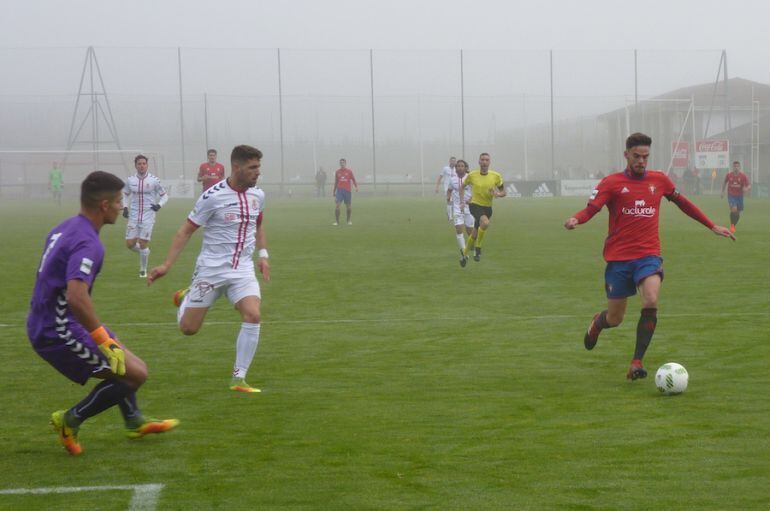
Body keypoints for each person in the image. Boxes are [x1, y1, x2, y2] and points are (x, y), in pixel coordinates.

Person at [27, 171, 178, 456]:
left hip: (57, 319)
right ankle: (69, 420)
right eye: (120, 201)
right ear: (105, 205)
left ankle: (133, 421)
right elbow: (75, 295)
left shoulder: (64, 227)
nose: (123, 206)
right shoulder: (89, 243)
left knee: (126, 362)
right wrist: (101, 339)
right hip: (56, 330)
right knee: (135, 375)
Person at [564, 133, 734, 380]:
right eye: (636, 156)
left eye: (645, 156)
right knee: (615, 318)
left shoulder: (660, 180)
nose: (641, 161)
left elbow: (683, 203)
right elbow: (592, 208)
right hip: (619, 259)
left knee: (651, 298)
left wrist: (711, 225)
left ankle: (636, 362)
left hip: (648, 255)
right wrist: (576, 219)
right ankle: (598, 323)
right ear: (626, 155)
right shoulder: (611, 183)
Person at [147, 145, 269, 394]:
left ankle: (238, 378)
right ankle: (186, 297)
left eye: (258, 167)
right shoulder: (212, 197)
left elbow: (258, 225)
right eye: (252, 167)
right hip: (211, 271)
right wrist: (166, 265)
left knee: (253, 315)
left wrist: (263, 255)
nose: (257, 172)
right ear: (237, 167)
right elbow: (186, 230)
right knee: (189, 329)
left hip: (242, 270)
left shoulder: (258, 195)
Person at [123, 154, 168, 278]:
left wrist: (159, 205)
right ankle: (145, 252)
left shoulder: (154, 180)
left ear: (147, 165)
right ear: (136, 165)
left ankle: (143, 270)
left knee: (143, 243)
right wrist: (125, 207)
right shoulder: (130, 180)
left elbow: (165, 195)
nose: (142, 166)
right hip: (133, 215)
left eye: (144, 164)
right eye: (139, 164)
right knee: (130, 244)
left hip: (148, 216)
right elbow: (125, 194)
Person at [459, 153, 506, 266]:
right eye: (482, 160)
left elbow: (504, 192)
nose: (484, 162)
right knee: (485, 222)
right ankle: (478, 249)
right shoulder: (472, 175)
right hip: (475, 205)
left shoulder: (496, 176)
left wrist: (497, 194)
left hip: (487, 208)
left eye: (487, 160)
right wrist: (462, 202)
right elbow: (462, 187)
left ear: (489, 162)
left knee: (474, 234)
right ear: (479, 162)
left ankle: (464, 256)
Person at [446, 159, 474, 259]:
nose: (460, 167)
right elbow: (449, 190)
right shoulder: (452, 179)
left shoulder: (470, 178)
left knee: (470, 231)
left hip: (469, 208)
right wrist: (448, 199)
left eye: (462, 166)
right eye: (458, 166)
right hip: (457, 208)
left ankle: (472, 247)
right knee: (459, 229)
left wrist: (471, 199)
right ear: (456, 168)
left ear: (465, 168)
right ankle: (464, 251)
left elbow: (475, 191)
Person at [721, 161, 751, 233]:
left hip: (740, 196)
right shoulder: (729, 175)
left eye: (737, 166)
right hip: (731, 196)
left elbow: (749, 185)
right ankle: (732, 226)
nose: (736, 168)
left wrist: (746, 189)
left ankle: (733, 225)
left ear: (739, 167)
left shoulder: (743, 176)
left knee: (738, 213)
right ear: (733, 167)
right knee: (734, 209)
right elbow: (724, 182)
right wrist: (722, 191)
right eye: (735, 166)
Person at [333, 158, 358, 226]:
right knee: (337, 205)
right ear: (339, 164)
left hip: (347, 191)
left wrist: (356, 187)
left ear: (345, 163)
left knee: (348, 207)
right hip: (339, 191)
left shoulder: (349, 171)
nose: (342, 164)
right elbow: (336, 182)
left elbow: (353, 179)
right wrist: (334, 191)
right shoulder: (337, 172)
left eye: (343, 162)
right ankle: (337, 222)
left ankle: (348, 220)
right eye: (340, 163)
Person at [435, 157, 457, 221]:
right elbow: (440, 177)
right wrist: (437, 187)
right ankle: (450, 217)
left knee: (454, 203)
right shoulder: (445, 168)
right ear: (449, 161)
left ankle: (449, 213)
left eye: (454, 161)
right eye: (452, 161)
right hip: (447, 188)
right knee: (449, 201)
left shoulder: (457, 169)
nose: (453, 162)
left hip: (455, 188)